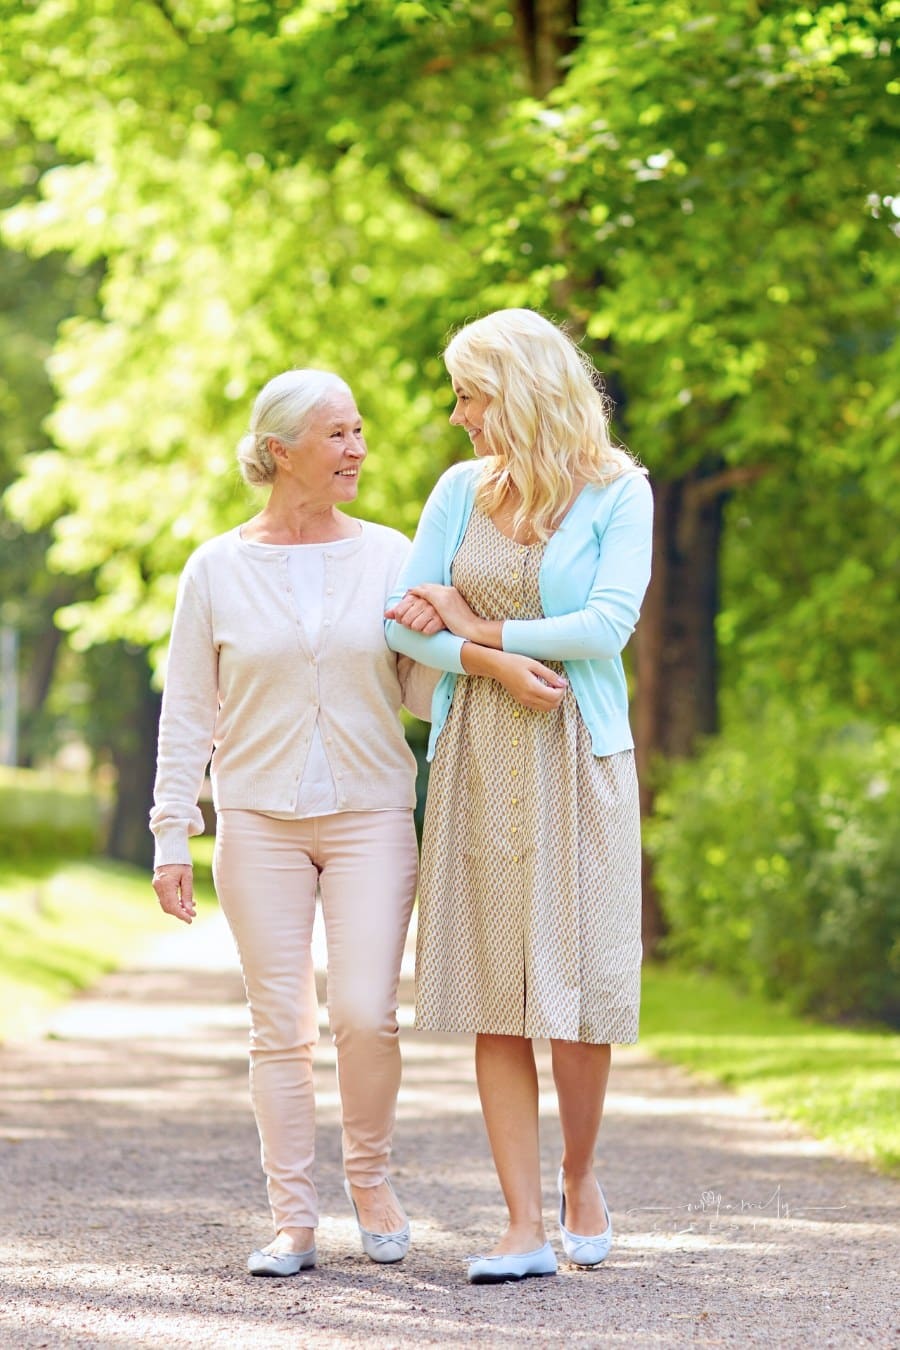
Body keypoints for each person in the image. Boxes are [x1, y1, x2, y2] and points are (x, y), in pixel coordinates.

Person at [384, 308, 653, 1284]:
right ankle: (521, 1226)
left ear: (523, 391)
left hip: (582, 755)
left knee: (576, 995)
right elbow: (404, 620)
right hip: (479, 753)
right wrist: (478, 661)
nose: (457, 415)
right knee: (499, 995)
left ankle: (583, 1182)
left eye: (470, 394)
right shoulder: (460, 491)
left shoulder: (621, 492)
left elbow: (606, 627)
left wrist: (478, 627)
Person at [151, 368, 432, 1277]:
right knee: (279, 1026)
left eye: (359, 431)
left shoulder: (392, 554)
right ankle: (293, 1220)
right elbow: (188, 710)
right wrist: (170, 832)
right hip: (258, 820)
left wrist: (450, 625)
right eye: (339, 435)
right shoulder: (216, 568)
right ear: (281, 453)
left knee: (364, 1013)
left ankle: (372, 1181)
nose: (359, 449)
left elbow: (422, 695)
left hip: (371, 810)